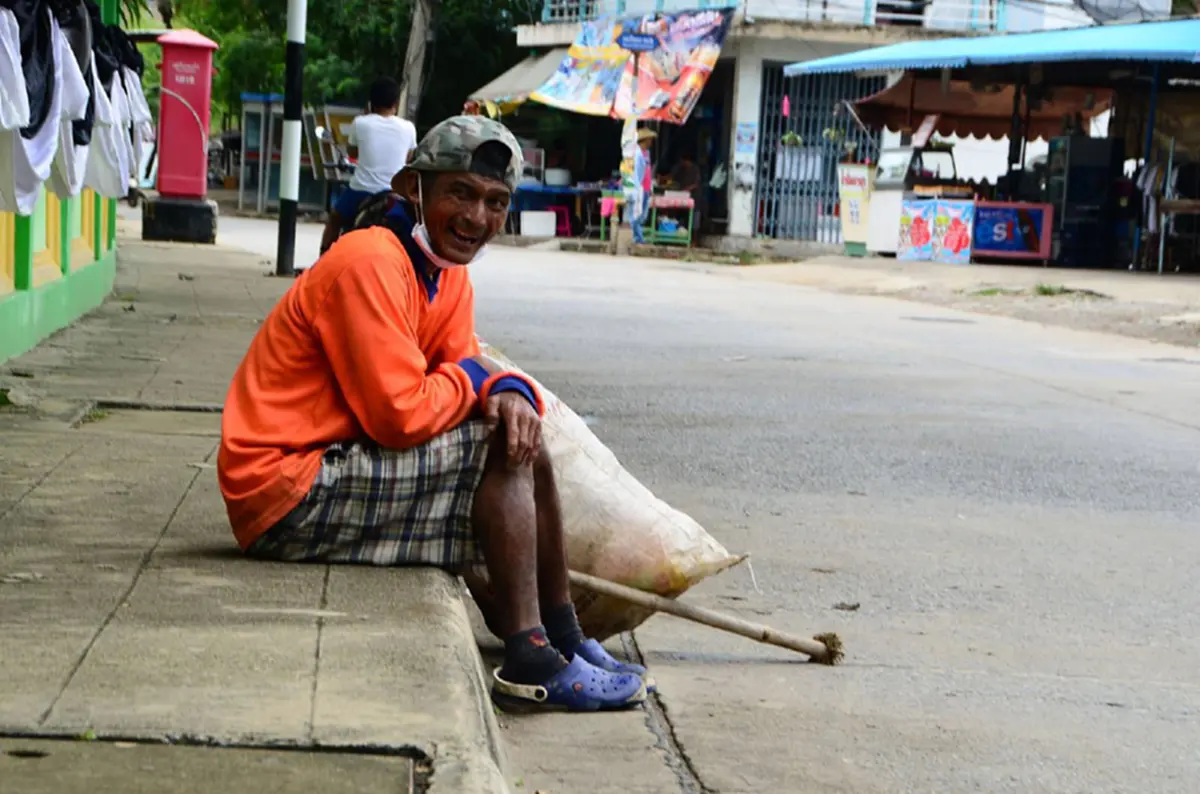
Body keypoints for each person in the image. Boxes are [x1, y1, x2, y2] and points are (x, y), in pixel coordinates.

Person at [218, 115, 650, 713]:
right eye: (461, 194)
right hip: (283, 489)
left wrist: (506, 389)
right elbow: (400, 414)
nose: (477, 218)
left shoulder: (445, 277)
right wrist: (482, 381)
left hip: (329, 467)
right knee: (494, 447)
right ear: (411, 188)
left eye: (496, 202)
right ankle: (529, 654)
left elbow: (464, 368)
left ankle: (563, 637)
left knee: (526, 437)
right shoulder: (369, 260)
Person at [319, 77, 417, 255]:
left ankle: (322, 259)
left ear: (371, 102)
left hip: (363, 190)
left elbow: (352, 153)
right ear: (396, 102)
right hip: (395, 192)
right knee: (414, 228)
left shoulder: (361, 123)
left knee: (334, 219)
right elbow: (409, 157)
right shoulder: (408, 127)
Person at [631, 128, 656, 245]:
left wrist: (650, 187)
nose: (651, 142)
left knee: (643, 216)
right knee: (637, 214)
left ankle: (637, 236)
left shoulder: (647, 153)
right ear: (644, 140)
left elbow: (648, 170)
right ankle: (639, 238)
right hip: (638, 188)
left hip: (646, 188)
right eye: (650, 140)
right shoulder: (636, 153)